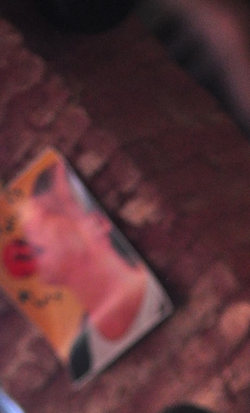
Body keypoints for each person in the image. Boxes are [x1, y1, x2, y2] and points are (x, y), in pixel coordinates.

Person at [19, 159, 171, 382]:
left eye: (48, 213)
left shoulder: (160, 296)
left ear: (98, 224)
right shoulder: (81, 358)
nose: (30, 228)